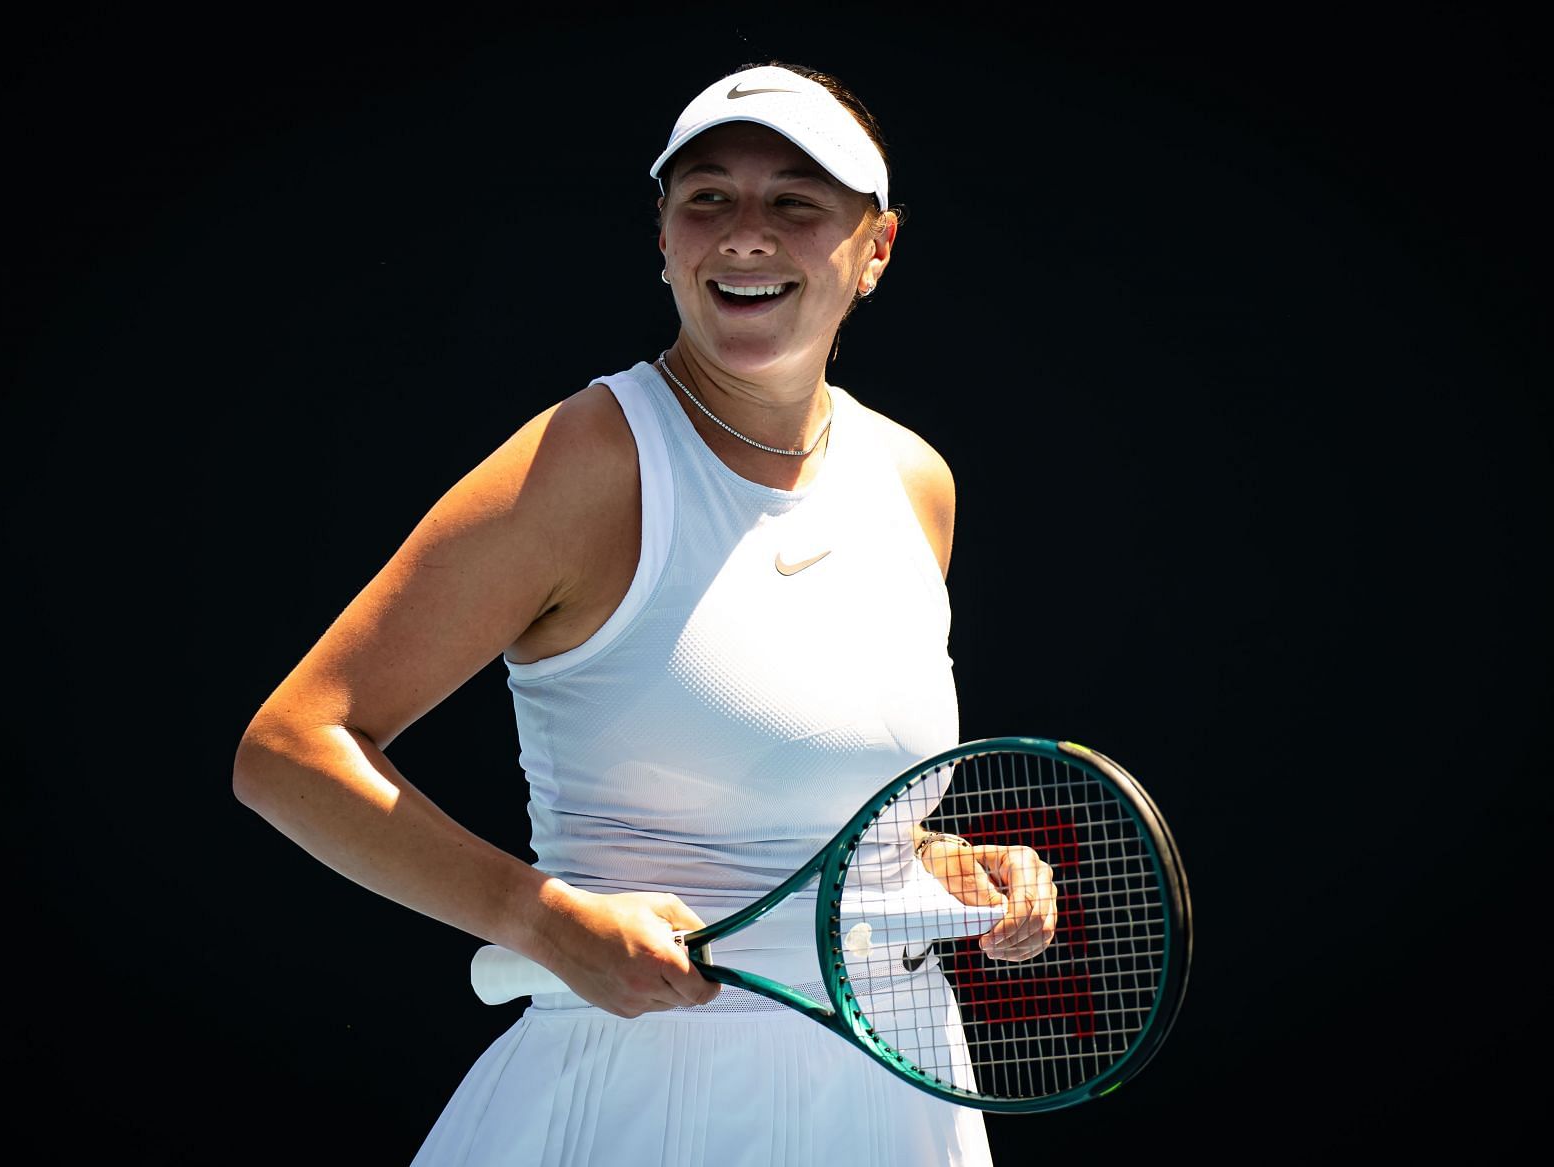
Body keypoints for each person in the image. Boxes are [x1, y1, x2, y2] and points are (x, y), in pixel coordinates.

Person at [233, 61, 1057, 1166]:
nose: (747, 235)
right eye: (706, 196)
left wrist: (940, 865)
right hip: (640, 1108)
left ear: (876, 251)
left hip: (896, 1099)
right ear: (663, 236)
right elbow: (289, 750)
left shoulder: (914, 480)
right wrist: (542, 921)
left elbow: (817, 807)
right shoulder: (587, 459)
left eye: (797, 203)